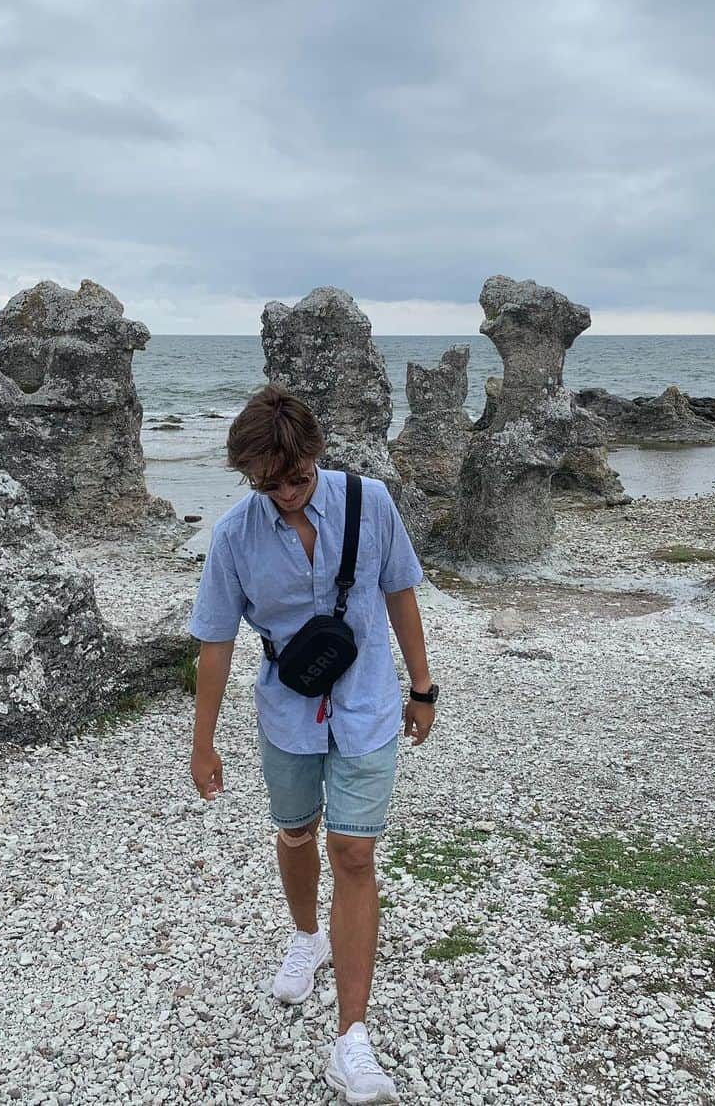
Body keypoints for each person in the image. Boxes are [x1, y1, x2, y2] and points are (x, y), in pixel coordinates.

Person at [188, 386, 437, 1105]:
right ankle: (307, 935)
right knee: (296, 831)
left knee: (353, 851)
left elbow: (401, 593)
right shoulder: (236, 535)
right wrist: (202, 744)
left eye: (296, 478)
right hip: (287, 712)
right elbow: (215, 639)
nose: (287, 496)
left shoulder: (371, 503)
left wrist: (423, 689)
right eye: (269, 484)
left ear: (316, 456)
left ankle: (351, 1041)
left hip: (365, 703)